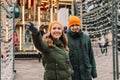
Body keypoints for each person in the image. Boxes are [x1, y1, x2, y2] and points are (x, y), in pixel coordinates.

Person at [67, 16, 97, 80]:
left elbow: (91, 56)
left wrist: (93, 72)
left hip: (86, 73)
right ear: (70, 26)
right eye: (72, 25)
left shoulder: (86, 38)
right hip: (73, 74)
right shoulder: (65, 38)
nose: (75, 27)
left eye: (77, 25)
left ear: (80, 25)